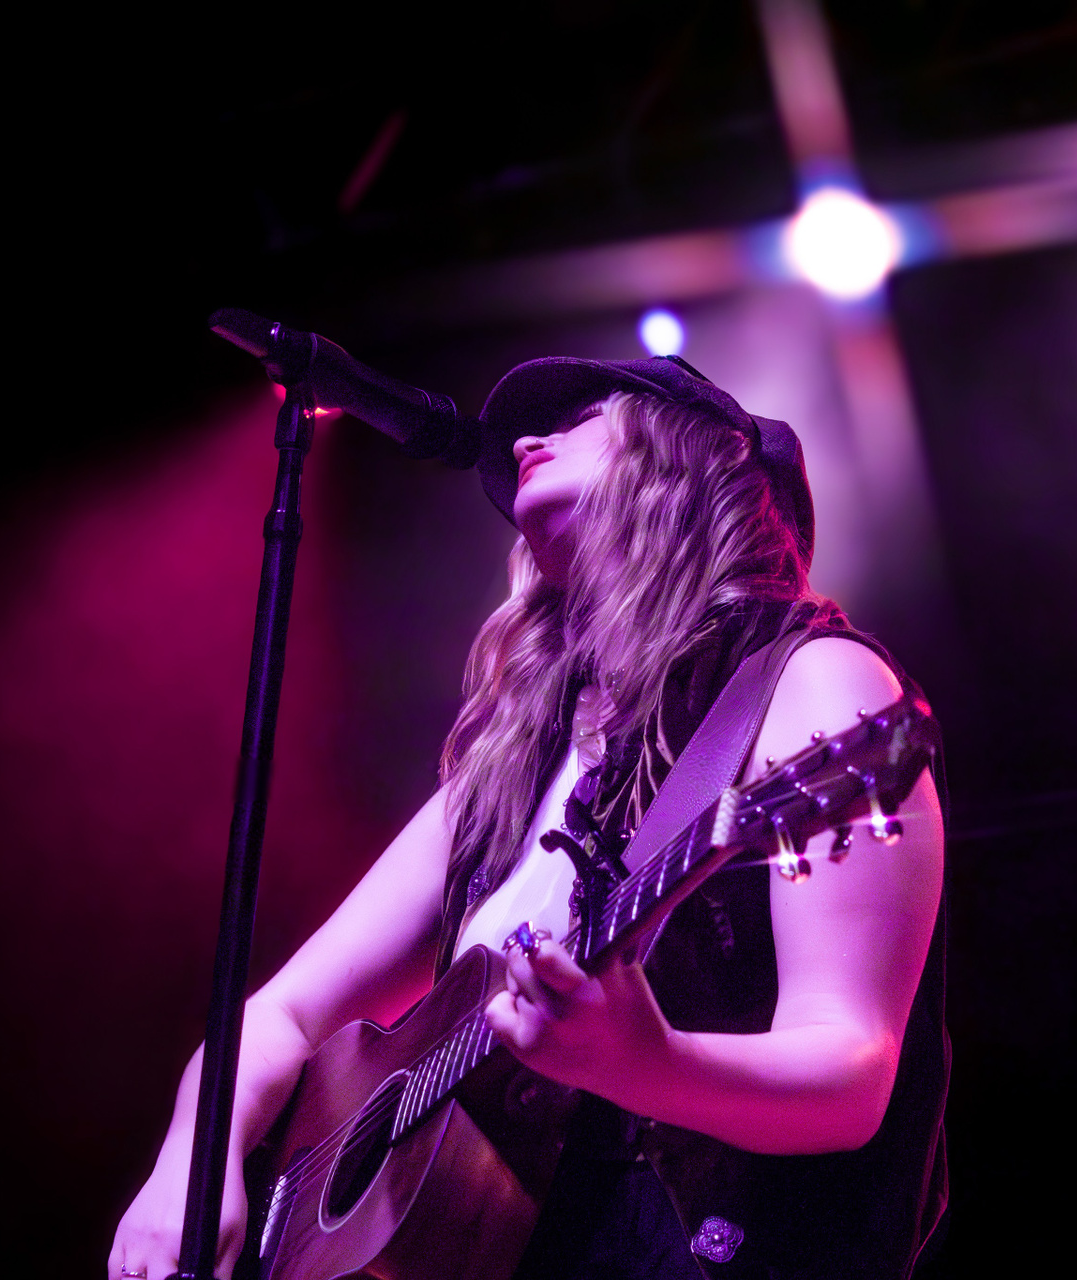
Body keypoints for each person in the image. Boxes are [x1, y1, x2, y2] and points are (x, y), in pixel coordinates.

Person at [110, 355, 949, 1280]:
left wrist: (645, 1062)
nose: (523, 442)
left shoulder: (812, 682)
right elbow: (285, 1012)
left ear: (692, 457)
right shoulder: (513, 761)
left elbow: (852, 1078)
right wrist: (191, 1167)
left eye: (583, 416)